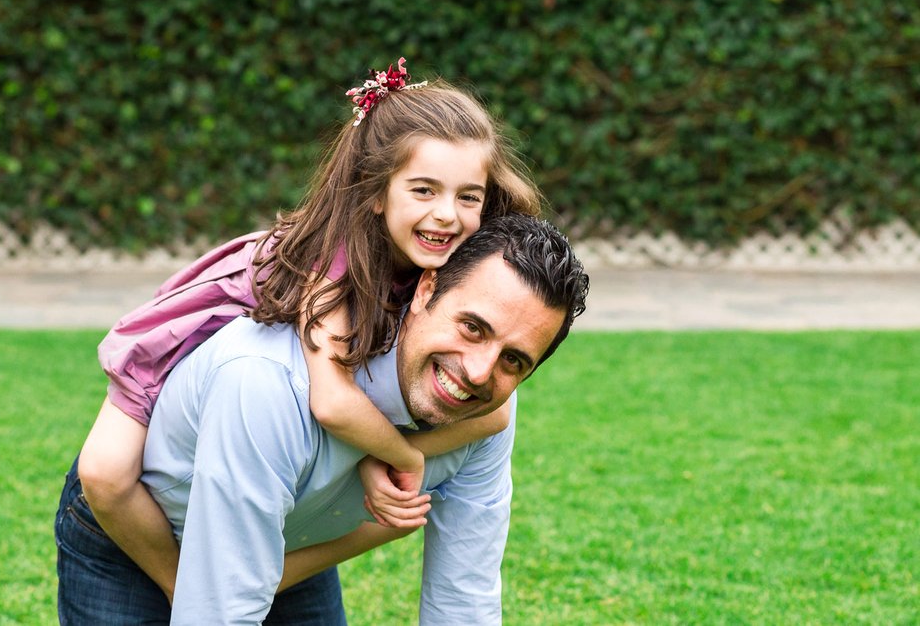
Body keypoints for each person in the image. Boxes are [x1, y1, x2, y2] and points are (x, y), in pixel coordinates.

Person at [73, 58, 544, 603]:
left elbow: (496, 412)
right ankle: (185, 585)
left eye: (468, 196)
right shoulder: (333, 261)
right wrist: (403, 456)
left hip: (275, 510)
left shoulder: (449, 268)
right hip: (179, 353)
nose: (447, 215)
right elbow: (332, 401)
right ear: (375, 191)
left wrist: (375, 455)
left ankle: (216, 587)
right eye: (423, 190)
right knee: (105, 472)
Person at [55, 213, 589, 624]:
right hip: (132, 528)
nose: (477, 372)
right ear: (427, 289)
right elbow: (219, 611)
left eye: (515, 360)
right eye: (472, 327)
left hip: (291, 538)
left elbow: (464, 598)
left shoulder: (486, 410)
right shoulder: (267, 381)